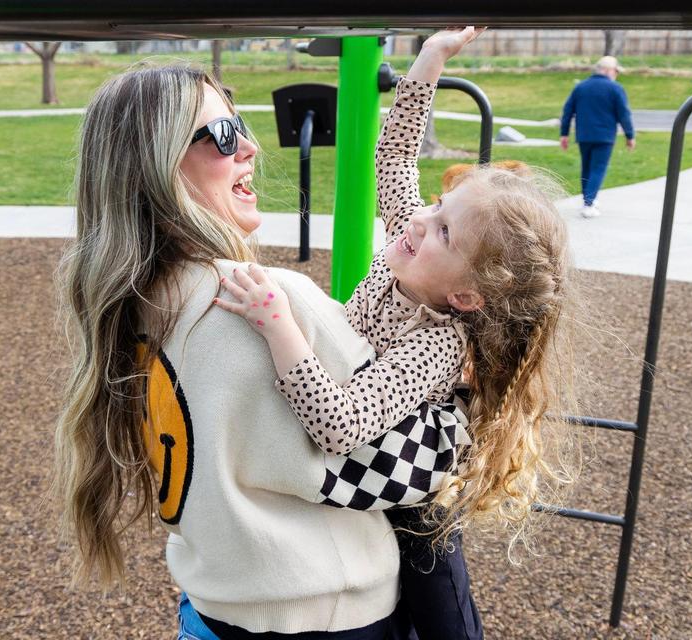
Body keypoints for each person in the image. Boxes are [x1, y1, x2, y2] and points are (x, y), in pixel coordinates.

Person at [54, 62, 463, 638]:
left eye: (240, 126)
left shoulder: (132, 302)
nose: (250, 147)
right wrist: (468, 415)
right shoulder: (265, 304)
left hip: (216, 607)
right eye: (223, 135)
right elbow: (399, 470)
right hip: (325, 612)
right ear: (159, 165)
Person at [215, 27, 579, 639]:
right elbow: (394, 157)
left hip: (410, 496)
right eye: (436, 206)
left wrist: (277, 324)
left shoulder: (438, 343)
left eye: (444, 232)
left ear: (466, 297)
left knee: (436, 605)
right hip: (362, 454)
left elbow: (339, 425)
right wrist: (430, 60)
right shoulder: (408, 253)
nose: (418, 219)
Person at [559, 55, 637, 219]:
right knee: (598, 169)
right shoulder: (615, 88)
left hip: (584, 135)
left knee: (586, 167)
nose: (616, 74)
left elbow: (567, 111)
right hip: (604, 136)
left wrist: (564, 134)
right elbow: (624, 114)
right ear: (609, 70)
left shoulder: (581, 87)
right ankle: (588, 204)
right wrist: (630, 135)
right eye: (616, 71)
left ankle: (588, 199)